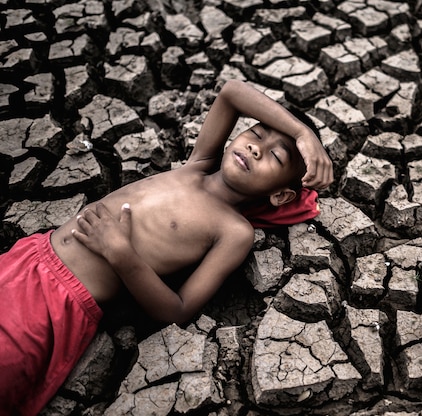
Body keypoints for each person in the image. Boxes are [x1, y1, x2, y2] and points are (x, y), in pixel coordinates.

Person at [0, 79, 333, 415]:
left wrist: (121, 253)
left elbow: (179, 309)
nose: (256, 148)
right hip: (27, 258)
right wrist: (302, 134)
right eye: (256, 135)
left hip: (60, 302)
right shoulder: (197, 166)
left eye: (275, 156)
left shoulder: (233, 231)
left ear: (280, 195)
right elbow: (232, 92)